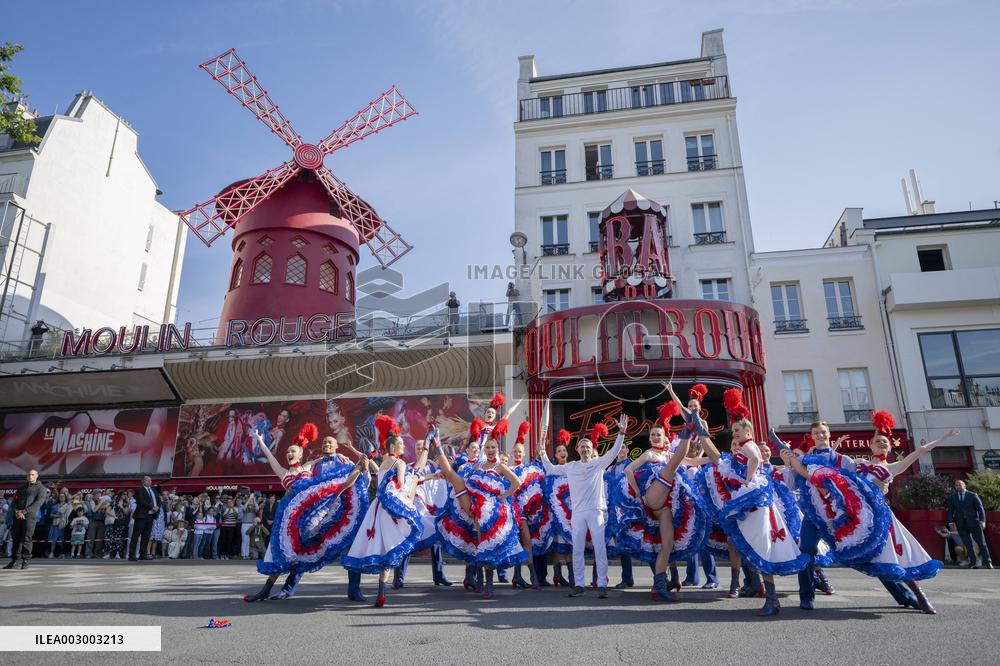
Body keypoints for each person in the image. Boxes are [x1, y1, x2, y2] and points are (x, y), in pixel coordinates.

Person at [696, 389, 807, 617]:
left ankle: (771, 598)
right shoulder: (745, 446)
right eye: (733, 430)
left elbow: (755, 459)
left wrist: (748, 480)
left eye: (737, 430)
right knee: (760, 548)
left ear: (747, 430)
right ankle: (770, 597)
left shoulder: (748, 444)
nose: (734, 433)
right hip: (754, 502)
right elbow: (720, 460)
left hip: (755, 502)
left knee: (762, 547)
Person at [245, 423, 369, 602]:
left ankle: (354, 590)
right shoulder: (312, 466)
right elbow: (301, 482)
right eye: (324, 442)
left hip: (341, 512)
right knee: (300, 548)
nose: (326, 444)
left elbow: (357, 479)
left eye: (329, 442)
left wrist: (361, 466)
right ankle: (287, 588)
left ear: (335, 446)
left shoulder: (343, 460)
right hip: (313, 514)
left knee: (351, 547)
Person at [541, 406, 628, 599]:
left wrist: (621, 433)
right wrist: (542, 453)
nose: (585, 449)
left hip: (596, 511)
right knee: (577, 548)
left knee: (599, 547)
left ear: (592, 450)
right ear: (578, 449)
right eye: (582, 446)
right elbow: (550, 469)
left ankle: (602, 584)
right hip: (578, 513)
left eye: (588, 446)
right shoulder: (571, 467)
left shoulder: (599, 464)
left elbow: (614, 452)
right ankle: (579, 584)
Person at [342, 415, 424, 608]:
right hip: (390, 509)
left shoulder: (386, 462)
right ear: (393, 447)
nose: (404, 445)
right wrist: (415, 479)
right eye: (401, 443)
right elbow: (402, 486)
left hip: (377, 508)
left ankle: (380, 594)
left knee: (377, 544)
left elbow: (379, 473)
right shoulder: (400, 463)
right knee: (390, 547)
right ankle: (381, 593)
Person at [5, 469, 47, 570]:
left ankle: (26, 560)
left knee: (26, 538)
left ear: (36, 476)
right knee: (16, 538)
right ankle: (15, 560)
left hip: (30, 517)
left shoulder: (41, 488)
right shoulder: (21, 488)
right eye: (29, 475)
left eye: (32, 475)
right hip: (18, 516)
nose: (30, 476)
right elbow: (14, 501)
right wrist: (17, 511)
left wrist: (24, 512)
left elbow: (38, 503)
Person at [948, 478, 993, 569]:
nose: (958, 486)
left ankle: (988, 563)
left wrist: (982, 521)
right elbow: (951, 511)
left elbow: (980, 509)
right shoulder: (953, 497)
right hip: (961, 524)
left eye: (960, 485)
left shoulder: (972, 495)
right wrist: (951, 522)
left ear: (964, 485)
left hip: (975, 523)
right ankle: (972, 563)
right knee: (968, 545)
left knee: (982, 543)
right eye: (956, 485)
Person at [129, 476, 159, 561]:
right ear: (143, 481)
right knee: (136, 536)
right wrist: (152, 507)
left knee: (146, 536)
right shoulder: (139, 490)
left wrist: (157, 508)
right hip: (141, 516)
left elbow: (158, 500)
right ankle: (132, 555)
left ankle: (143, 554)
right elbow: (141, 501)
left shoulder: (153, 491)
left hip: (151, 516)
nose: (150, 481)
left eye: (150, 480)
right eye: (147, 480)